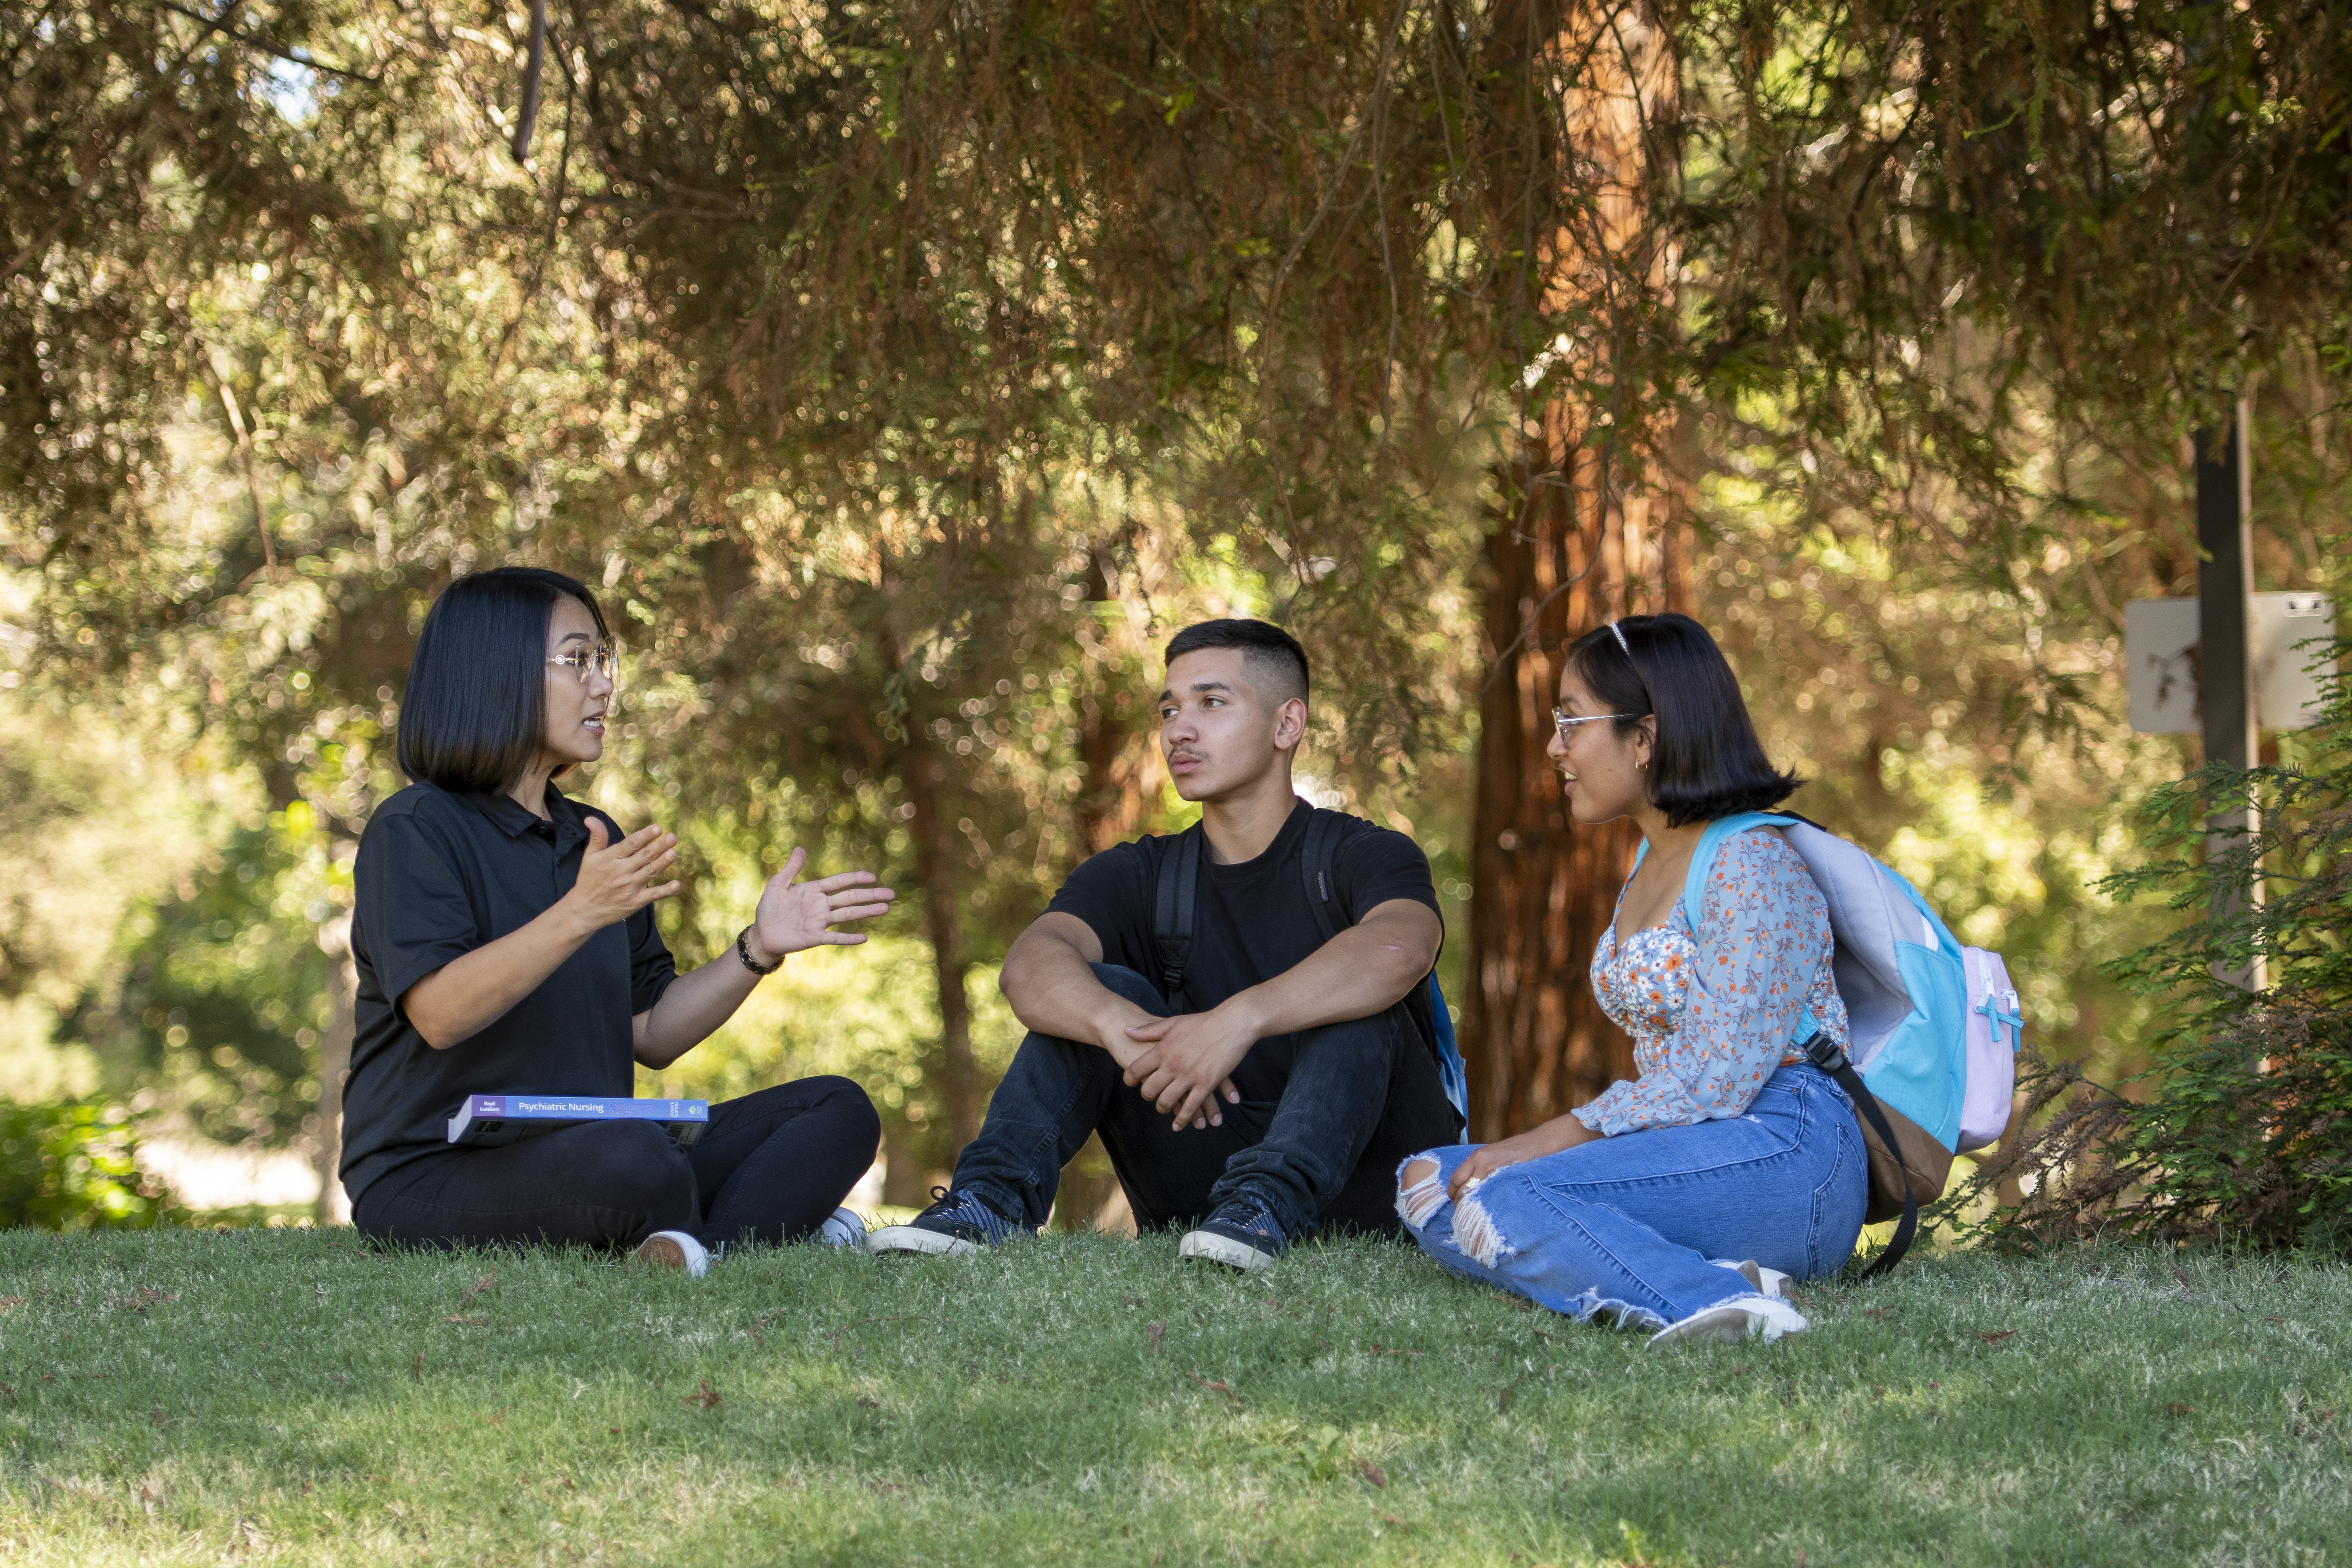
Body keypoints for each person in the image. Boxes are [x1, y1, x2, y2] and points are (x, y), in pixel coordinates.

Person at [342, 566, 896, 1275]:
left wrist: (757, 949)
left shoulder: (592, 835)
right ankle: (760, 1233)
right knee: (634, 1156)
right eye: (578, 660)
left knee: (837, 1109)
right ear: (495, 671)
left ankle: (696, 1255)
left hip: (592, 1156)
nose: (603, 685)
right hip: (431, 1175)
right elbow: (441, 1014)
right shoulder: (416, 828)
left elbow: (652, 1033)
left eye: (603, 660)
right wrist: (580, 913)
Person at [866, 619, 1463, 1270]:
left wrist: (1238, 1020)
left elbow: (1400, 948)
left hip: (1370, 1180)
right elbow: (1030, 967)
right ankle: (987, 1204)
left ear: (1287, 725)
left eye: (1212, 703)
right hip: (1209, 1182)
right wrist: (1114, 1025)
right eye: (1170, 710)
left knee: (1363, 998)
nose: (1180, 729)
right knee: (1098, 989)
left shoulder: (1364, 853)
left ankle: (1268, 1204)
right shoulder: (1140, 873)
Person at [1393, 613, 1867, 1345]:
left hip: (1788, 1148)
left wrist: (1550, 1138)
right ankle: (1723, 1274)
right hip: (1696, 1149)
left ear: (1644, 739)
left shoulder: (1752, 864)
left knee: (1509, 1192)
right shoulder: (1653, 861)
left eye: (1571, 721)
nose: (1555, 747)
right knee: (1428, 1181)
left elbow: (1715, 1081)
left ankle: (1722, 1305)